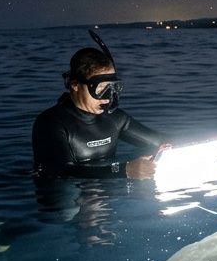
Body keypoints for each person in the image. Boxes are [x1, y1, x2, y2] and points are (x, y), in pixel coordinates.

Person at [32, 37, 165, 179]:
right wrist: (122, 170)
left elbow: (162, 142)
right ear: (75, 84)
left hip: (108, 192)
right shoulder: (50, 123)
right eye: (100, 89)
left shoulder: (115, 118)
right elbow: (62, 171)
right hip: (65, 191)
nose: (107, 98)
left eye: (112, 88)